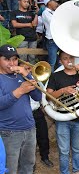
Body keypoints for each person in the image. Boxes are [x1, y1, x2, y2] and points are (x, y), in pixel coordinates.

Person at [0, 44, 42, 174]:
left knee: (28, 167)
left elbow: (37, 96)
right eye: (7, 59)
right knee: (10, 169)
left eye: (14, 59)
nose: (12, 63)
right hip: (8, 132)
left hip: (29, 129)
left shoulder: (20, 75)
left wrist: (28, 76)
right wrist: (19, 91)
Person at [19, 62, 54, 168]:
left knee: (43, 136)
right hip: (24, 114)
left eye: (29, 69)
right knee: (27, 140)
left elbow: (42, 95)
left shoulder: (36, 81)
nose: (28, 71)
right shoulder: (18, 82)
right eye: (25, 69)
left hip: (37, 112)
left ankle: (45, 157)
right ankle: (30, 162)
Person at [11, 0, 38, 64]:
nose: (27, 3)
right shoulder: (14, 12)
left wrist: (36, 13)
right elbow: (15, 24)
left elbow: (34, 24)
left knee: (32, 58)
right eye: (24, 1)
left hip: (33, 38)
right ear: (19, 2)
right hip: (22, 39)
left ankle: (31, 74)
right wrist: (28, 24)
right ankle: (23, 74)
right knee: (23, 59)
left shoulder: (31, 13)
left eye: (28, 2)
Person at [42, 0, 59, 72]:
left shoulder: (55, 12)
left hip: (58, 40)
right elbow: (55, 22)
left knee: (60, 61)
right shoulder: (45, 12)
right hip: (51, 40)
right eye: (54, 1)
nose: (56, 3)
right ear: (49, 3)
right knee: (52, 62)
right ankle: (50, 80)